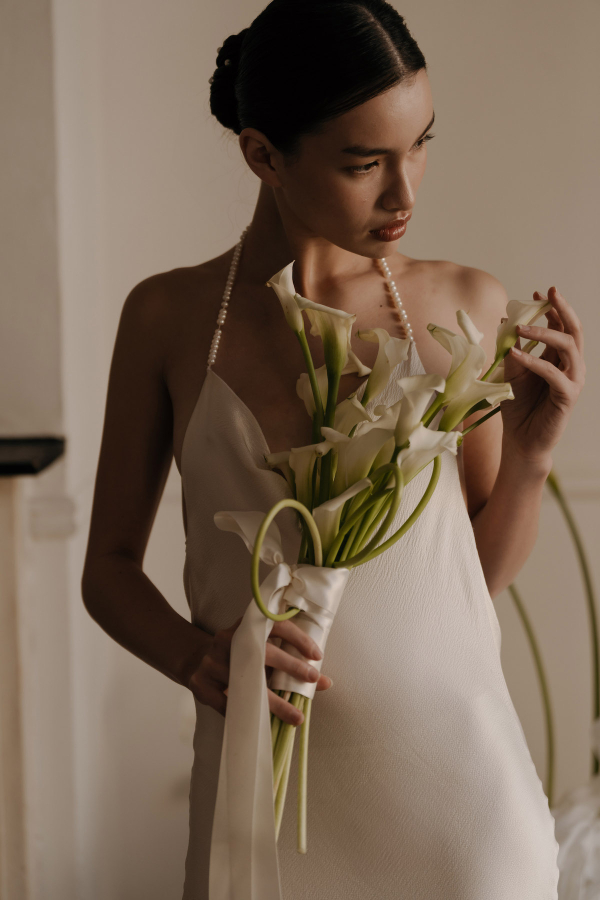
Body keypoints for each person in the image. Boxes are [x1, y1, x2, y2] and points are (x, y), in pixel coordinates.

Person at [81, 1, 585, 897]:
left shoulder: (455, 302)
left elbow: (478, 576)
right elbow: (109, 568)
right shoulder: (166, 318)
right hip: (264, 805)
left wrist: (535, 452)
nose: (407, 192)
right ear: (263, 155)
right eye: (366, 163)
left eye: (421, 144)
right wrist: (197, 660)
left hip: (462, 809)